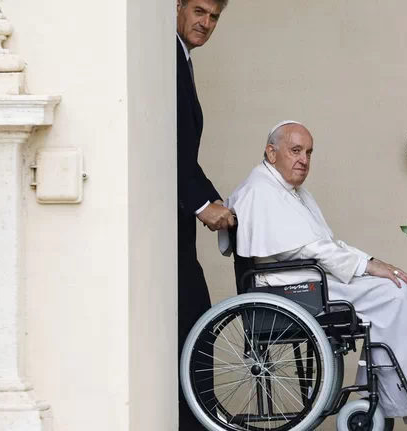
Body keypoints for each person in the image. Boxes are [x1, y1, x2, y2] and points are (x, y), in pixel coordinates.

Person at [222, 121, 407, 420]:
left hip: (306, 278)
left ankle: (396, 400)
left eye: (309, 152)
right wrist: (367, 266)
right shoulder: (261, 191)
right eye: (295, 150)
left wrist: (372, 261)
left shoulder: (289, 190)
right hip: (291, 285)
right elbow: (308, 249)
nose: (304, 160)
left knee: (394, 290)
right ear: (272, 153)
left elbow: (325, 244)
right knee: (393, 295)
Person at [176, 0, 235, 429]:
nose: (206, 23)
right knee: (196, 319)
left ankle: (197, 418)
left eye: (214, 16)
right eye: (199, 10)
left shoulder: (182, 59)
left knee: (195, 321)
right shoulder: (166, 58)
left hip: (177, 224)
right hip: (166, 222)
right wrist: (202, 205)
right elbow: (168, 144)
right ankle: (197, 420)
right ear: (177, 6)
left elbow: (187, 158)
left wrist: (218, 201)